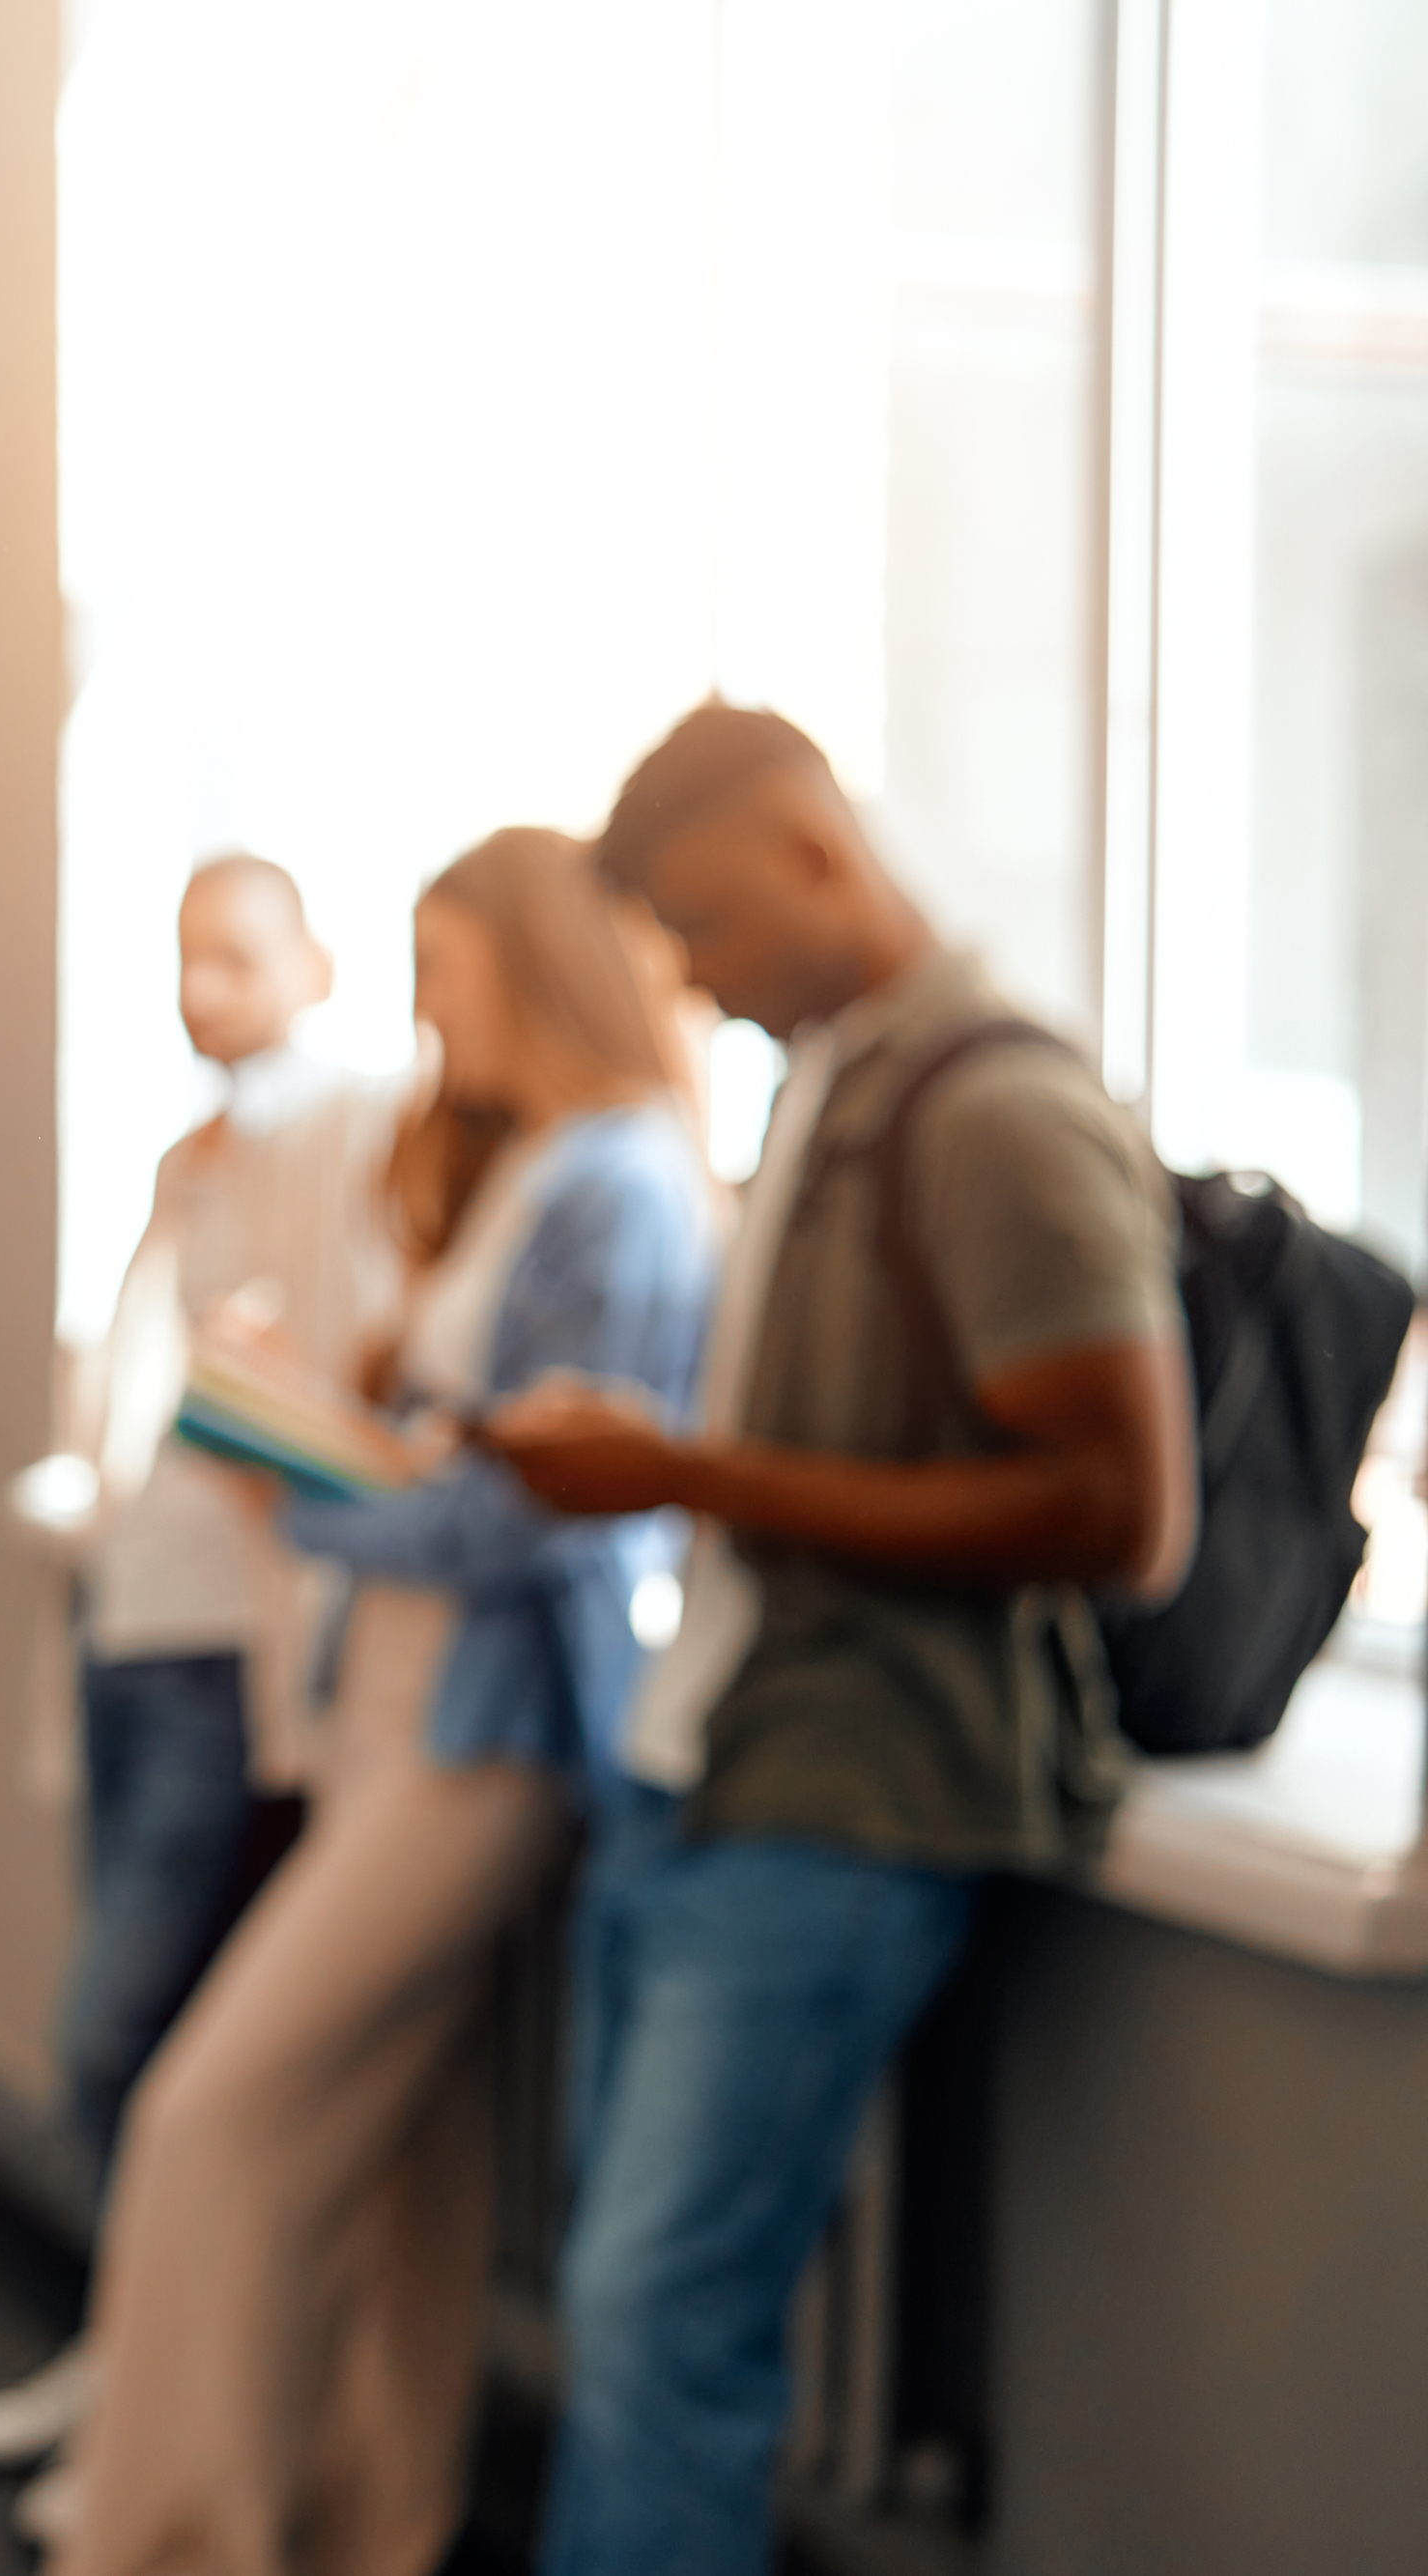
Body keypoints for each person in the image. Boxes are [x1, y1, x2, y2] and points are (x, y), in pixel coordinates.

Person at [483, 705, 1192, 2576]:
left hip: (844, 1794)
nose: (695, 983)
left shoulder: (994, 1105)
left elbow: (1123, 1510)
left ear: (811, 843)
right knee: (625, 2302)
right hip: (714, 1760)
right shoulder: (830, 1080)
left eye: (705, 925)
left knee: (653, 2324)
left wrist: (683, 1471)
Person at [37, 828, 715, 2576]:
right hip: (410, 1707)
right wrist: (342, 1427)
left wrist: (309, 1492)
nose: (422, 1013)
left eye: (442, 970)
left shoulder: (618, 1182)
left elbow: (551, 1504)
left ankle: (169, 2536)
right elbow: (480, 1452)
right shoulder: (549, 1167)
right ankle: (368, 2518)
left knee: (209, 2116)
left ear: (524, 966)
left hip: (478, 1737)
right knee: (403, 2167)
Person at [0, 854, 402, 2476]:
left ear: (317, 965)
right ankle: (127, 2362)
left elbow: (329, 1398)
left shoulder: (350, 1133)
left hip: (234, 1646)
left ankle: (154, 2392)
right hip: (131, 1620)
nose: (202, 989)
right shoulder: (184, 1156)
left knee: (125, 2038)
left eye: (236, 956)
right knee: (131, 2040)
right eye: (182, 957)